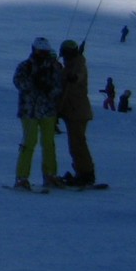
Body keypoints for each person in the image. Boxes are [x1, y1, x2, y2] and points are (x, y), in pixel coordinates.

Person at [12, 37, 64, 190]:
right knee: (29, 142)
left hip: (47, 110)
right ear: (34, 50)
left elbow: (59, 86)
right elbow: (18, 82)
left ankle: (50, 175)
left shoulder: (53, 67)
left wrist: (49, 88)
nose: (43, 55)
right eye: (41, 52)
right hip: (30, 111)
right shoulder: (25, 66)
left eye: (45, 52)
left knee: (49, 143)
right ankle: (22, 178)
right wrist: (33, 83)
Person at [55, 39, 97, 187]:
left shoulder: (77, 64)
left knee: (78, 144)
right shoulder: (71, 65)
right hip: (72, 111)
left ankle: (86, 173)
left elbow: (79, 76)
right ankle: (82, 171)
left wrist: (72, 77)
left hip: (77, 111)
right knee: (75, 144)